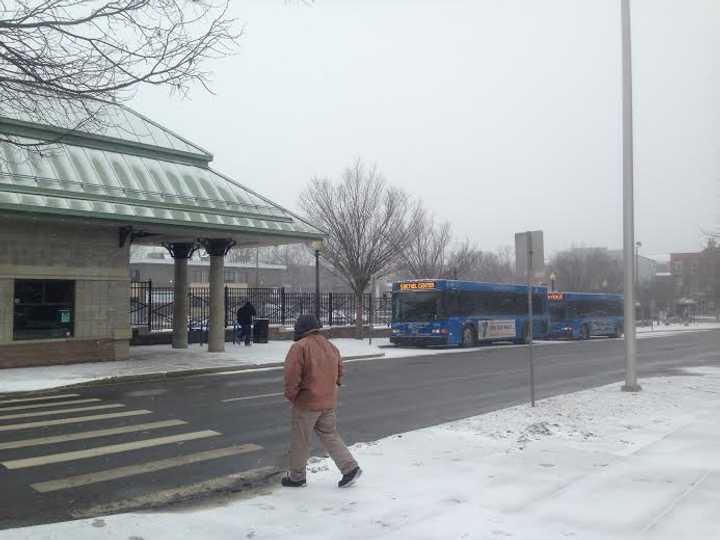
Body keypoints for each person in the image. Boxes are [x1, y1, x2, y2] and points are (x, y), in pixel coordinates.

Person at [282, 314, 361, 489]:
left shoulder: (299, 347)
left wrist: (292, 395)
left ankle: (297, 477)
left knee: (301, 441)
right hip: (328, 401)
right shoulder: (330, 345)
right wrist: (333, 387)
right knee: (330, 435)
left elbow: (292, 375)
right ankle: (350, 468)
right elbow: (340, 370)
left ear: (300, 328)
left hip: (307, 402)